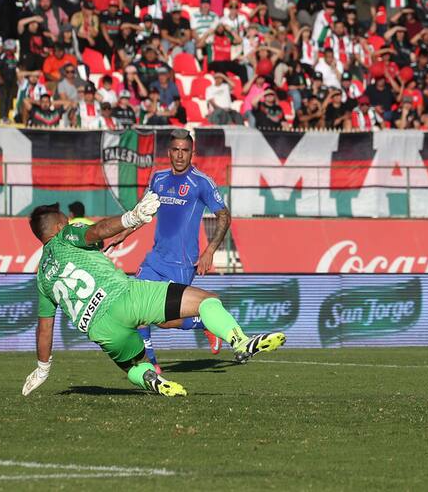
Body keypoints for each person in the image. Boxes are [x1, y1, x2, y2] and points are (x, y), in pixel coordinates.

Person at [22, 195, 285, 397]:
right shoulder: (66, 236)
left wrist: (43, 367)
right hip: (125, 297)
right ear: (58, 227)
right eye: (65, 222)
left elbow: (45, 328)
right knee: (205, 300)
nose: (70, 223)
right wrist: (132, 217)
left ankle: (152, 380)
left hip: (100, 329)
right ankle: (240, 341)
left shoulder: (42, 277)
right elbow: (97, 231)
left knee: (136, 364)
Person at [136, 129, 231, 373]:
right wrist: (119, 235)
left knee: (164, 321)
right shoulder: (157, 179)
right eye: (175, 150)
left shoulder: (201, 183)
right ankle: (152, 365)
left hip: (181, 263)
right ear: (169, 152)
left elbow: (223, 216)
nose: (180, 155)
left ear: (192, 153)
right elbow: (142, 212)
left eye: (185, 150)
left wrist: (209, 250)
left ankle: (204, 323)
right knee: (137, 309)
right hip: (154, 259)